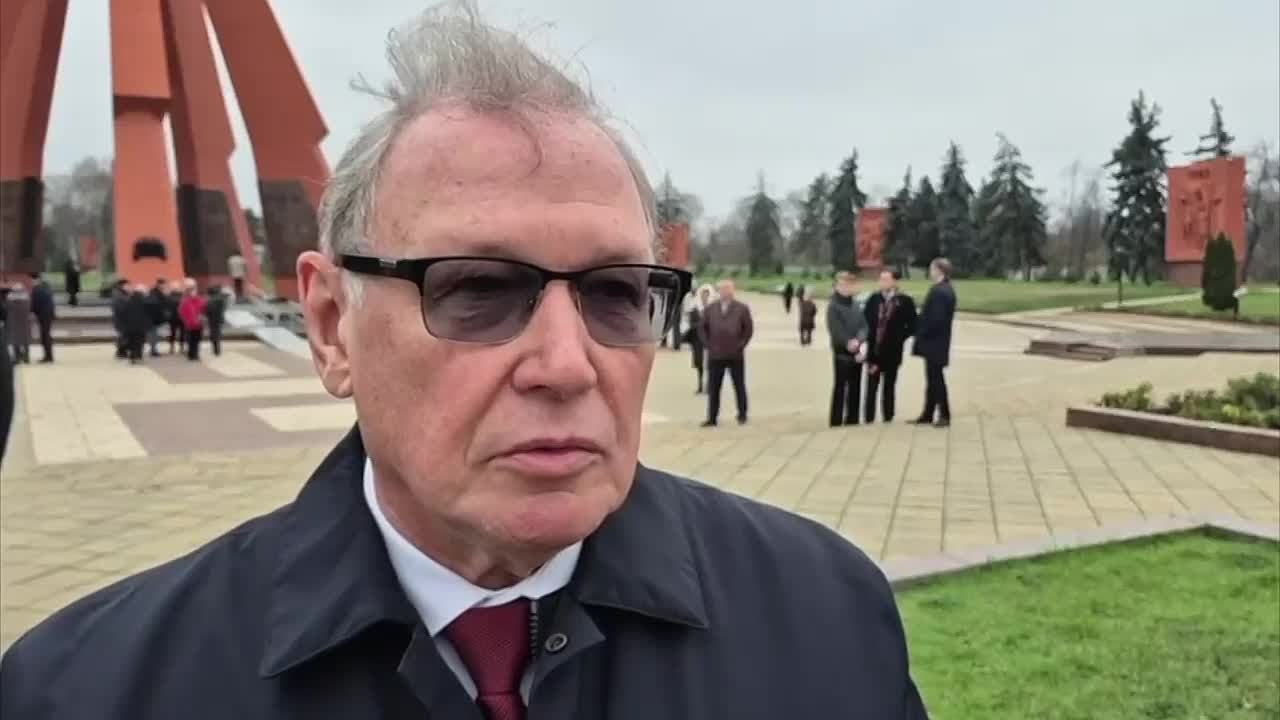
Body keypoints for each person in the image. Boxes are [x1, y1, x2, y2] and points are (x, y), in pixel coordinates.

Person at [0, 5, 929, 718]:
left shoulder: (828, 617)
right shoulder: (87, 692)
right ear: (331, 325)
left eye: (615, 293)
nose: (566, 365)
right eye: (478, 289)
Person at [863, 269, 917, 423]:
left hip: (892, 352)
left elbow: (913, 325)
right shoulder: (873, 299)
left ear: (894, 282)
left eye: (886, 279)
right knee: (871, 387)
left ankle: (888, 417)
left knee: (889, 386)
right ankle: (868, 418)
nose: (882, 283)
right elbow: (864, 322)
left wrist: (900, 337)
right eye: (881, 279)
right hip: (874, 351)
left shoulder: (905, 301)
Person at [911, 257, 958, 428]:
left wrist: (921, 331)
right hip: (939, 342)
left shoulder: (939, 291)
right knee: (932, 379)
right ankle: (928, 413)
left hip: (934, 343)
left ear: (939, 271)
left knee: (936, 380)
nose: (930, 272)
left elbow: (936, 320)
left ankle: (944, 414)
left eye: (932, 269)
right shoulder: (947, 289)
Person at [700, 278, 753, 426]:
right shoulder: (710, 309)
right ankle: (712, 417)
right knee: (714, 387)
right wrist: (708, 345)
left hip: (735, 354)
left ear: (733, 290)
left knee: (739, 385)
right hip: (715, 354)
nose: (726, 292)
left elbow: (748, 330)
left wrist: (740, 345)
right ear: (718, 291)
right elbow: (702, 328)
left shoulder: (742, 308)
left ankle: (742, 414)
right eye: (723, 289)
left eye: (728, 289)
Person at [827, 271, 868, 427]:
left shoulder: (856, 304)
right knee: (840, 386)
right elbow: (835, 329)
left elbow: (864, 325)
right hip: (842, 352)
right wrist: (848, 342)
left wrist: (859, 339)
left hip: (857, 350)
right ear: (837, 286)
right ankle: (836, 419)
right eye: (843, 284)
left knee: (855, 385)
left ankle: (852, 418)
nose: (846, 287)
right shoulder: (833, 306)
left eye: (849, 284)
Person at [685, 284, 712, 393]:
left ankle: (709, 385)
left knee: (710, 363)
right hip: (698, 340)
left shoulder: (714, 309)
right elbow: (691, 324)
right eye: (703, 294)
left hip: (711, 340)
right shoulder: (694, 309)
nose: (705, 296)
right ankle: (700, 385)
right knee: (699, 364)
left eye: (707, 294)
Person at [121, 284, 151, 365]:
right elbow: (148, 313)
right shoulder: (144, 301)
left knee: (132, 341)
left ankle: (132, 357)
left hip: (130, 326)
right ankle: (138, 356)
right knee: (140, 342)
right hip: (141, 326)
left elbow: (123, 313)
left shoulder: (128, 300)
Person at [178, 280, 207, 361]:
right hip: (189, 324)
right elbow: (182, 312)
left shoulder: (200, 301)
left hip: (199, 324)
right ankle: (191, 354)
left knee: (197, 340)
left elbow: (204, 310)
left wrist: (203, 317)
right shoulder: (185, 302)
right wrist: (185, 321)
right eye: (192, 291)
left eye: (194, 291)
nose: (193, 293)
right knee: (190, 340)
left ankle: (196, 354)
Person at [29, 273, 55, 363]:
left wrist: (30, 311)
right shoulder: (46, 287)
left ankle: (48, 357)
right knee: (46, 334)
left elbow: (34, 305)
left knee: (45, 335)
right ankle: (49, 356)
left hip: (43, 315)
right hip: (48, 314)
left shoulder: (36, 290)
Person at [4, 283, 32, 364]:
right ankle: (26, 358)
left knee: (15, 341)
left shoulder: (10, 299)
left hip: (13, 323)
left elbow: (6, 309)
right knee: (25, 341)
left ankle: (17, 358)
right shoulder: (27, 299)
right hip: (24, 323)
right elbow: (30, 309)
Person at [146, 279, 169, 357]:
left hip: (156, 318)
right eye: (164, 284)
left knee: (155, 334)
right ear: (160, 284)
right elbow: (157, 305)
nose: (165, 286)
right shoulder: (155, 293)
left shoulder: (157, 293)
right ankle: (153, 350)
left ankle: (153, 349)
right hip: (154, 318)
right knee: (154, 334)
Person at [110, 278, 130, 359]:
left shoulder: (122, 293)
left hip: (123, 319)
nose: (128, 287)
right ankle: (121, 352)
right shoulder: (118, 295)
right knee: (123, 336)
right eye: (127, 285)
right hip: (121, 319)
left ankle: (122, 351)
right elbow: (118, 307)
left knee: (124, 335)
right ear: (122, 285)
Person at [205, 285, 227, 357]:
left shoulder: (210, 300)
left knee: (213, 334)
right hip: (219, 319)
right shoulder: (221, 299)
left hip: (212, 319)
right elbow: (223, 309)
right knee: (217, 334)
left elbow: (207, 310)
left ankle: (215, 349)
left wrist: (207, 316)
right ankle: (217, 350)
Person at [166, 282, 185, 354]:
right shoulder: (170, 296)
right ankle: (172, 348)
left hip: (180, 317)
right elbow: (168, 307)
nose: (175, 288)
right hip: (173, 317)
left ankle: (181, 348)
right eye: (174, 287)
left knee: (181, 333)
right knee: (173, 333)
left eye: (176, 287)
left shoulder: (181, 295)